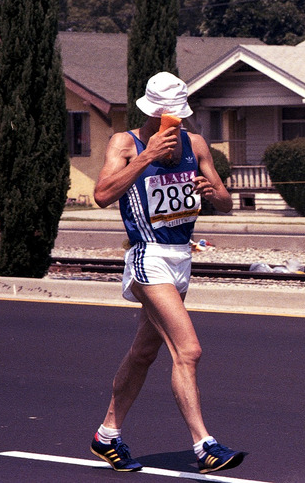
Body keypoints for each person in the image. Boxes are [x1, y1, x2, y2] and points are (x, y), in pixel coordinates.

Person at [89, 72, 245, 474]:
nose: (176, 126)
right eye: (169, 119)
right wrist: (146, 157)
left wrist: (216, 194)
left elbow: (227, 203)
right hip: (147, 257)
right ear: (153, 114)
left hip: (181, 258)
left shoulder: (195, 144)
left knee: (144, 352)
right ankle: (204, 446)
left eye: (179, 118)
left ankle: (106, 436)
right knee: (187, 350)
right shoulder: (126, 143)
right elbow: (103, 195)